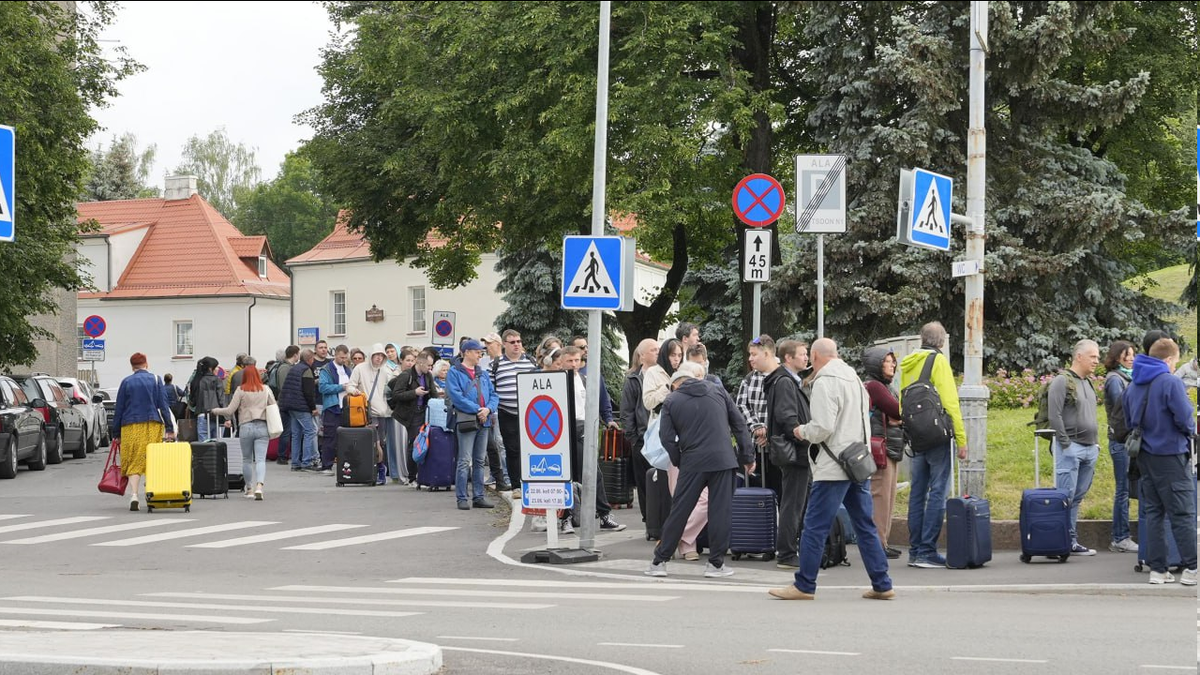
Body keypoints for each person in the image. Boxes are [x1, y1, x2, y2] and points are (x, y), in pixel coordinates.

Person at [769, 338, 894, 601]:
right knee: (865, 525)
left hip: (833, 465)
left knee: (814, 525)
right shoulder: (854, 378)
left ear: (815, 356)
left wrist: (801, 430)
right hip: (856, 461)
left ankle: (804, 585)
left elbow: (823, 427)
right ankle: (882, 583)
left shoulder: (826, 381)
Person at [645, 362, 755, 579]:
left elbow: (666, 438)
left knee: (680, 510)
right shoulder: (719, 392)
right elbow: (740, 425)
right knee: (720, 512)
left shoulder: (671, 401)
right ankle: (716, 565)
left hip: (692, 462)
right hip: (724, 461)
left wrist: (678, 460)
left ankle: (659, 562)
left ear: (675, 384)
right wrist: (746, 457)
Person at [1125, 338, 1197, 585]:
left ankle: (1158, 569)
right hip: (1171, 455)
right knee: (1182, 513)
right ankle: (1192, 568)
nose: (1176, 366)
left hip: (1144, 456)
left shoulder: (1134, 384)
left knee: (1154, 512)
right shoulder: (1170, 382)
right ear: (1168, 360)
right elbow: (1186, 419)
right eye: (1175, 361)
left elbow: (1128, 420)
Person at [899, 322, 967, 568]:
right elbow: (950, 402)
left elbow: (901, 400)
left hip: (916, 436)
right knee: (938, 491)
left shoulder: (907, 363)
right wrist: (962, 439)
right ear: (942, 342)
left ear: (921, 339)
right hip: (937, 437)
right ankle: (927, 551)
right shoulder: (938, 361)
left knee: (917, 494)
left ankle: (915, 550)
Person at [561, 345, 625, 533]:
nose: (574, 364)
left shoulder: (584, 379)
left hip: (583, 427)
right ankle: (566, 518)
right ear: (562, 361)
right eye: (570, 361)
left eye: (577, 360)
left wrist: (606, 419)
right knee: (567, 476)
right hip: (563, 430)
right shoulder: (558, 380)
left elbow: (596, 402)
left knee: (593, 473)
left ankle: (604, 515)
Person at [1047, 339, 1102, 556]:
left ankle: (1070, 541)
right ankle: (1061, 542)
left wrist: (1096, 445)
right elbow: (1054, 415)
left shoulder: (1087, 382)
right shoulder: (1062, 381)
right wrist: (1066, 444)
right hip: (1071, 448)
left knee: (1076, 498)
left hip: (1090, 449)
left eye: (1097, 357)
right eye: (1093, 356)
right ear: (1079, 356)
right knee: (1065, 497)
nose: (1096, 361)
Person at [763, 337, 813, 569]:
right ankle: (786, 553)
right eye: (802, 354)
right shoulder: (785, 382)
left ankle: (792, 549)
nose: (806, 357)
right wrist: (803, 435)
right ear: (788, 358)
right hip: (794, 452)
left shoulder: (790, 380)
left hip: (796, 451)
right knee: (792, 503)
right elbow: (786, 417)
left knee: (796, 501)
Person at [110, 352, 175, 511]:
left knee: (133, 460)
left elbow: (119, 409)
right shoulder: (156, 379)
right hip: (151, 424)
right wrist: (169, 428)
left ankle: (133, 495)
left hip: (130, 426)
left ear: (132, 366)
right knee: (151, 459)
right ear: (146, 363)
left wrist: (116, 433)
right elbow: (163, 406)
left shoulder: (126, 382)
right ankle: (150, 492)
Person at [211, 357, 275, 500]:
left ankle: (250, 489)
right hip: (262, 426)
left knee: (246, 459)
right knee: (260, 459)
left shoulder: (240, 390)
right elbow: (273, 406)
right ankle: (260, 486)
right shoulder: (266, 389)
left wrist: (215, 411)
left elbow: (229, 410)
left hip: (245, 427)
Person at [862, 346, 904, 559]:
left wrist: (896, 417)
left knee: (888, 496)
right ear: (877, 364)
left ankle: (883, 541)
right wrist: (896, 417)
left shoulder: (884, 386)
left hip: (890, 448)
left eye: (893, 361)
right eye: (888, 361)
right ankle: (878, 543)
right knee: (880, 496)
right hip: (881, 449)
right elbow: (898, 411)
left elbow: (896, 414)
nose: (893, 365)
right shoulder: (875, 386)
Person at [446, 340, 499, 510]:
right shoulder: (454, 372)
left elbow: (493, 394)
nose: (480, 355)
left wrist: (488, 409)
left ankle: (478, 496)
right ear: (467, 352)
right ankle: (462, 497)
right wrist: (478, 410)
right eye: (477, 352)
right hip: (468, 420)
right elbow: (456, 396)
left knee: (479, 460)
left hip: (484, 420)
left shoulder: (482, 373)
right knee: (464, 460)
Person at [1103, 340, 1138, 554]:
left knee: (1127, 489)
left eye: (1133, 354)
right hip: (1120, 441)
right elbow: (1123, 407)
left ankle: (1122, 536)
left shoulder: (1128, 378)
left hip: (1128, 440)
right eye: (1127, 355)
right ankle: (1120, 537)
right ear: (1117, 357)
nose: (1131, 358)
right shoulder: (1115, 379)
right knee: (1123, 491)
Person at [493, 329, 538, 497]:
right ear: (504, 344)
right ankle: (516, 485)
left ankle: (530, 481)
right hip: (506, 412)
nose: (517, 345)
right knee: (512, 450)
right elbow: (492, 390)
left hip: (529, 413)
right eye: (512, 342)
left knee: (530, 448)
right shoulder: (496, 364)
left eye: (519, 341)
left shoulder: (531, 362)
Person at [621, 338, 659, 522]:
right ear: (642, 355)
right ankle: (649, 520)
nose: (657, 353)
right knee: (644, 483)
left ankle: (661, 518)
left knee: (662, 480)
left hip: (661, 438)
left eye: (659, 349)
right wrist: (634, 438)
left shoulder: (663, 375)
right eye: (653, 350)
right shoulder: (634, 379)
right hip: (642, 439)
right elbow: (627, 411)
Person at [347, 344, 396, 485]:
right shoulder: (360, 368)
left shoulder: (386, 371)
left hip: (382, 413)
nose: (379, 358)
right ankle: (371, 470)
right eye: (376, 355)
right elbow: (350, 385)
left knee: (380, 443)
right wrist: (355, 391)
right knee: (371, 443)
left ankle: (380, 469)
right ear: (372, 356)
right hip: (365, 412)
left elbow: (392, 388)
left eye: (381, 355)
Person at [391, 351, 440, 485]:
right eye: (429, 365)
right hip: (409, 414)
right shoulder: (406, 375)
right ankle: (412, 477)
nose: (430, 368)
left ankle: (422, 475)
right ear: (420, 363)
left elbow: (433, 394)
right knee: (414, 444)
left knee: (423, 443)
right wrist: (415, 393)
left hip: (424, 412)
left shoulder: (428, 375)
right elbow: (396, 395)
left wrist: (439, 403)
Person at [280, 349, 319, 471]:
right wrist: (313, 408)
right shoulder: (306, 370)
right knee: (310, 431)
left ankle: (295, 463)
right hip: (301, 407)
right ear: (310, 359)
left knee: (296, 434)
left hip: (291, 406)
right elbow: (308, 392)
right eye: (313, 359)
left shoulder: (294, 369)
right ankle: (306, 462)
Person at [317, 345, 353, 475]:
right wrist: (341, 387)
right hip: (332, 407)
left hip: (347, 408)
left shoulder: (348, 370)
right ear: (336, 355)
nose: (344, 360)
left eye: (345, 357)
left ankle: (345, 466)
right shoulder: (326, 370)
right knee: (330, 437)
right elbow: (323, 388)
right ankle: (326, 465)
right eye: (342, 357)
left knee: (345, 439)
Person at [189, 356, 224, 442]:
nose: (218, 369)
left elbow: (191, 401)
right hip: (216, 415)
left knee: (203, 447)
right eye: (216, 367)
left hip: (201, 416)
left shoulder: (195, 381)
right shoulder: (216, 380)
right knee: (217, 446)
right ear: (210, 368)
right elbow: (221, 399)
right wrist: (227, 417)